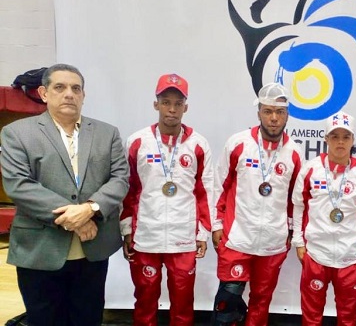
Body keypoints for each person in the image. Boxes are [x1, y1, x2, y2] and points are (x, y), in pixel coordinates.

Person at [0, 63, 129, 326]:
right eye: (60, 87)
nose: (69, 94)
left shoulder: (107, 133)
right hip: (40, 250)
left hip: (93, 251)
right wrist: (79, 218)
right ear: (44, 93)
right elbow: (19, 185)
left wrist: (91, 208)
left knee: (88, 318)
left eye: (76, 88)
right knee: (44, 319)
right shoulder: (16, 133)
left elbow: (120, 178)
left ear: (83, 95)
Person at [120, 73, 213, 326]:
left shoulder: (198, 144)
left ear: (186, 107)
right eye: (165, 102)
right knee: (145, 300)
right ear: (156, 104)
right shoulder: (137, 142)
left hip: (183, 238)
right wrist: (127, 230)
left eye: (178, 103)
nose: (172, 109)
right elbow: (128, 190)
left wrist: (203, 233)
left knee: (183, 303)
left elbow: (205, 191)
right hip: (146, 236)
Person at [211, 82, 303, 326]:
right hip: (238, 238)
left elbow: (296, 199)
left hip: (273, 242)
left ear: (287, 114)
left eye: (279, 112)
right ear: (259, 112)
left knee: (261, 301)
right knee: (226, 304)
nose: (274, 118)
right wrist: (216, 224)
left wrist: (290, 233)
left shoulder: (294, 153)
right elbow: (218, 186)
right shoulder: (239, 143)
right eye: (268, 111)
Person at [291, 111, 356, 326]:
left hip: (350, 256)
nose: (340, 142)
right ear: (326, 139)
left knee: (348, 317)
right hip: (317, 254)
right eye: (335, 136)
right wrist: (299, 243)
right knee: (311, 315)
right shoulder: (311, 169)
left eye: (346, 137)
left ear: (353, 140)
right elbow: (299, 206)